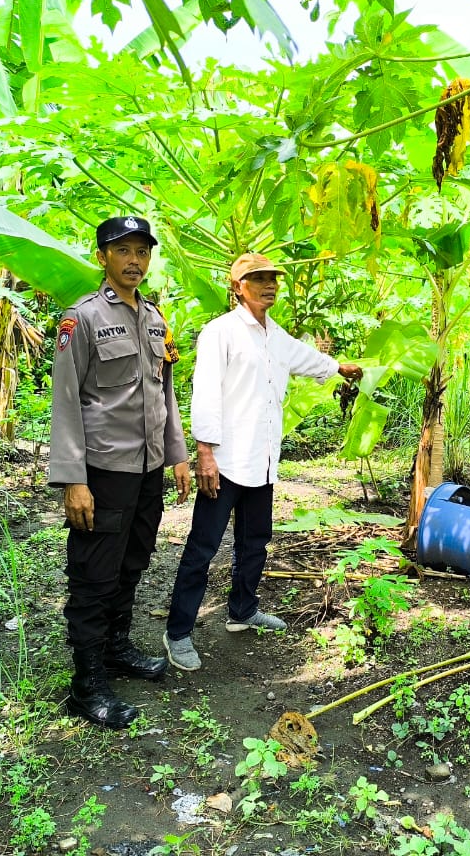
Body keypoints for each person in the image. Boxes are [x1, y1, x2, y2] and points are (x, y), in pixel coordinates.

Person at [162, 253, 362, 671]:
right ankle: (178, 632)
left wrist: (338, 368)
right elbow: (207, 394)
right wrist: (205, 455)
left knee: (255, 542)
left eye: (272, 278)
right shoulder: (222, 333)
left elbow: (306, 358)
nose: (268, 285)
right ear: (237, 287)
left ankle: (243, 611)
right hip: (227, 460)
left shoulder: (275, 335)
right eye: (257, 279)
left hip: (263, 458)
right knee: (203, 547)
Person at [49, 215, 192, 728]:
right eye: (123, 251)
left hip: (148, 468)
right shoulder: (82, 319)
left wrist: (177, 454)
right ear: (102, 256)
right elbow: (65, 402)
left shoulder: (154, 319)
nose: (135, 261)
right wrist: (74, 479)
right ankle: (87, 686)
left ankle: (115, 648)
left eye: (142, 251)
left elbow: (164, 393)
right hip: (104, 470)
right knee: (94, 575)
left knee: (132, 563)